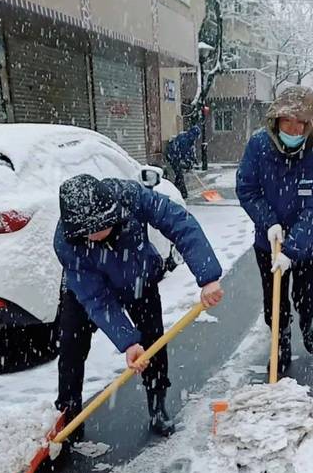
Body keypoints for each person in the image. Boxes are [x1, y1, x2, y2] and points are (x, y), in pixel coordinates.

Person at [54, 174, 223, 438]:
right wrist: (127, 341)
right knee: (71, 348)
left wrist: (208, 276)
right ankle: (69, 413)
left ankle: (157, 403)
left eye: (99, 228)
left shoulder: (130, 196)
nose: (94, 236)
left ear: (111, 214)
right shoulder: (68, 243)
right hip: (85, 291)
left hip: (137, 280)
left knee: (153, 340)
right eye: (87, 232)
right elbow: (97, 300)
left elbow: (179, 223)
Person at [236, 85, 313, 375]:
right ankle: (280, 344)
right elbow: (247, 188)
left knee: (309, 296)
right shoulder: (258, 146)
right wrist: (269, 223)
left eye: (300, 123)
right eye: (287, 121)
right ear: (276, 120)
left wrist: (292, 249)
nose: (293, 129)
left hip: (309, 244)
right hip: (269, 241)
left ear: (310, 124)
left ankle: (307, 322)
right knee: (275, 302)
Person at [165, 124, 201, 199]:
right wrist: (188, 163)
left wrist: (194, 160)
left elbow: (191, 151)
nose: (197, 138)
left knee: (179, 176)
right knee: (179, 175)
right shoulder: (184, 139)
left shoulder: (190, 139)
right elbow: (184, 153)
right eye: (197, 136)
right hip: (173, 157)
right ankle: (183, 193)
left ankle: (174, 191)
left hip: (177, 157)